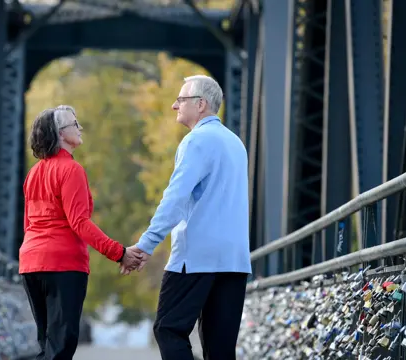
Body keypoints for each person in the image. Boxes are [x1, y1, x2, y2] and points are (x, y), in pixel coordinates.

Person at [122, 75, 252, 360]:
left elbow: (175, 199)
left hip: (196, 257)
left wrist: (145, 244)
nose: (173, 105)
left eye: (181, 99)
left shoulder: (196, 141)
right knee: (220, 348)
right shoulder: (236, 144)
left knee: (169, 329)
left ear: (201, 104)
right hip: (234, 258)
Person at [19, 105, 142, 360]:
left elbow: (28, 224)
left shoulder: (34, 173)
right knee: (62, 346)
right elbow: (80, 223)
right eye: (75, 124)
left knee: (47, 344)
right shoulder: (71, 170)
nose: (80, 127)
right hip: (63, 266)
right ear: (61, 134)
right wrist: (119, 253)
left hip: (31, 263)